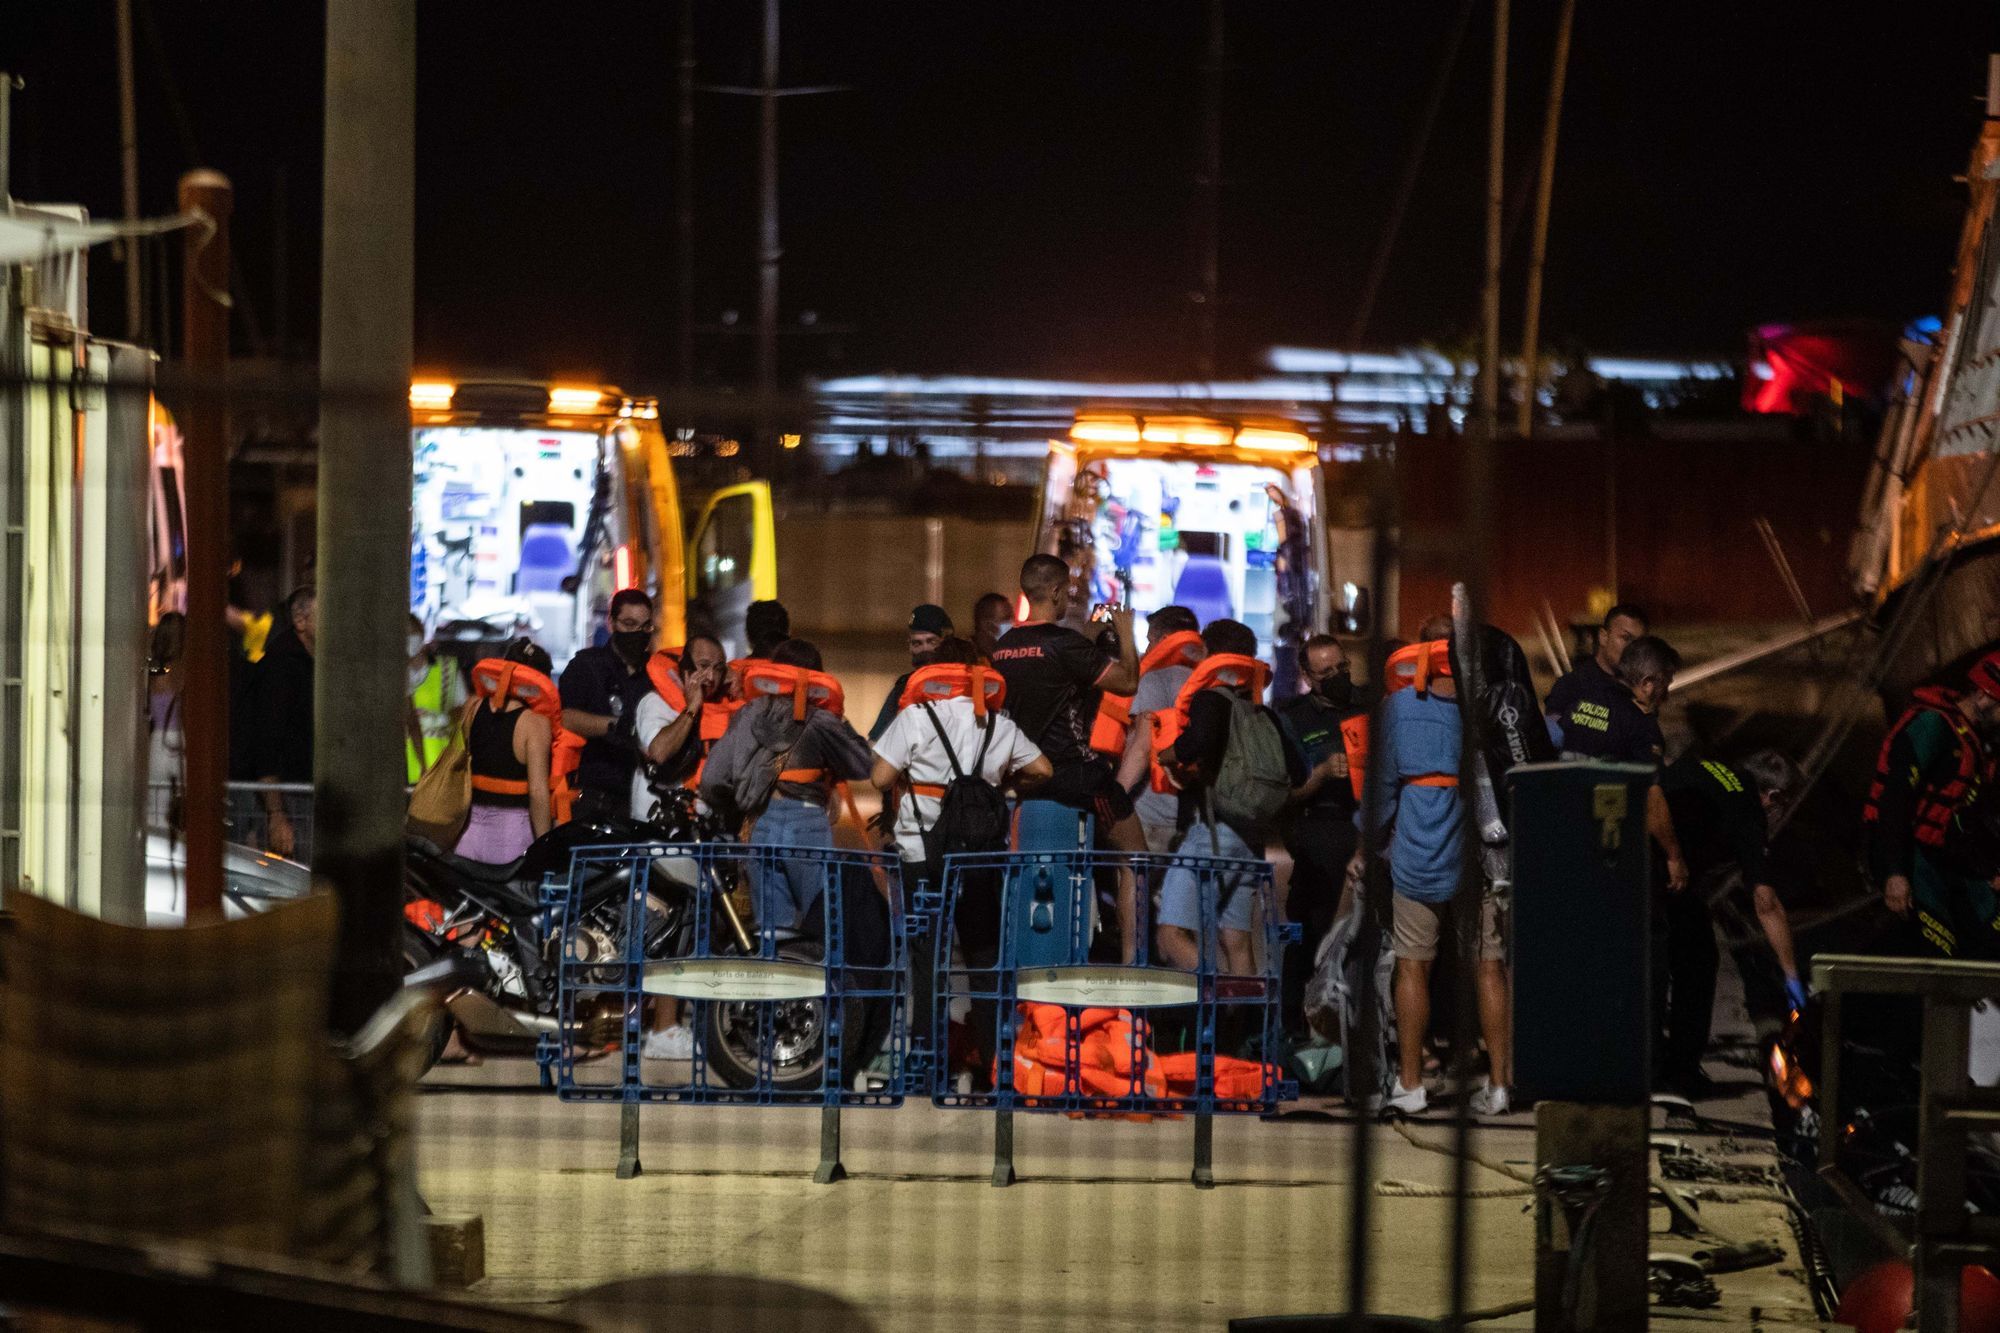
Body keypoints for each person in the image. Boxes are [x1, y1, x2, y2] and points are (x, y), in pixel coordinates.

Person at [872, 636, 1051, 1076]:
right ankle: (993, 1063)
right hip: (979, 853)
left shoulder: (915, 716)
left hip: (921, 850)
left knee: (926, 955)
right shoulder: (997, 723)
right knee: (983, 956)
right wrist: (1004, 788)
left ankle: (927, 1061)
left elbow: (879, 776)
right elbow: (1043, 770)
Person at [1365, 636, 1512, 1117]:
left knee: (1412, 965)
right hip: (1481, 856)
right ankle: (1500, 1085)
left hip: (1417, 848)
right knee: (1488, 966)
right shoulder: (1488, 711)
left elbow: (1383, 785)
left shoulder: (1399, 707)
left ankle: (1410, 1086)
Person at [989, 553, 1147, 959]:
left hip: (1028, 777)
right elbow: (1127, 681)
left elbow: (1053, 670)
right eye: (1068, 591)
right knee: (1135, 857)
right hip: (1078, 777)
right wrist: (1126, 633)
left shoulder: (1004, 648)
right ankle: (1132, 959)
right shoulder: (1066, 644)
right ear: (1057, 592)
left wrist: (1088, 638)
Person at [1155, 620, 1308, 975]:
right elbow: (1298, 772)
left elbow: (1197, 743)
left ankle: (1217, 998)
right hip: (1251, 839)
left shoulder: (1211, 699)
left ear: (1209, 654)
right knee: (1236, 940)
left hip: (1212, 830)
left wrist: (1168, 754)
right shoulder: (1262, 711)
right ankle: (1240, 1026)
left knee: (1170, 934)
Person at [1656, 750, 1806, 1096]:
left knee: (1681, 940)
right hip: (1662, 873)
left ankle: (1664, 1061)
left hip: (1637, 855)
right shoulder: (1748, 812)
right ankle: (1679, 1071)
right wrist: (1791, 975)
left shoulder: (1707, 763)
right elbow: (1766, 903)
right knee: (1699, 959)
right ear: (1773, 798)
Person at [701, 638, 874, 930]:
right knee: (821, 925)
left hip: (760, 824)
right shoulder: (819, 718)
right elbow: (861, 763)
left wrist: (737, 800)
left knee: (771, 930)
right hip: (806, 823)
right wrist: (838, 717)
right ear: (816, 677)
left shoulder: (749, 712)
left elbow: (711, 779)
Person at [1865, 650, 2000, 958]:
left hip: (1948, 858)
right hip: (1910, 854)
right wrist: (1894, 872)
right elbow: (1894, 796)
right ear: (1983, 696)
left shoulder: (1980, 748)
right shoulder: (1933, 725)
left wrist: (1991, 869)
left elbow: (1973, 821)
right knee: (1938, 949)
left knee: (1992, 933)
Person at [1275, 633, 1369, 1038]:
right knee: (1311, 930)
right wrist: (1321, 775)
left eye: (1342, 669)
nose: (1337, 677)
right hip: (1320, 827)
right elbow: (1282, 793)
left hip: (1367, 823)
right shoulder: (1292, 717)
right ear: (1308, 677)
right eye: (1326, 672)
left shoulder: (1368, 705)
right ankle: (1298, 1027)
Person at [1553, 633, 1689, 892]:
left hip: (1559, 830)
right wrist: (1674, 855)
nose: (1666, 697)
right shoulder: (1640, 725)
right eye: (1665, 685)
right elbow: (1653, 799)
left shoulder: (1581, 703)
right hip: (1603, 842)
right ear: (1648, 683)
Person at [559, 590, 657, 823]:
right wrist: (616, 726)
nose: (637, 633)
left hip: (645, 797)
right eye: (629, 624)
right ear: (611, 623)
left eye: (644, 627)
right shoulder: (587, 666)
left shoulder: (656, 672)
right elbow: (565, 717)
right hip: (596, 794)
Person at [1116, 606, 1206, 855]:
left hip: (1153, 813)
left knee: (1140, 888)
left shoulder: (1156, 680)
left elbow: (1142, 747)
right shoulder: (1209, 681)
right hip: (1196, 815)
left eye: (1150, 640)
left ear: (1165, 640)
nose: (1147, 650)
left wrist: (1114, 798)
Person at [458, 639, 556, 865]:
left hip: (465, 836)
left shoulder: (472, 707)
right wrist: (545, 849)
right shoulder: (535, 724)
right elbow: (538, 794)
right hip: (511, 840)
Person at [631, 633, 729, 820]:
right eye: (703, 666)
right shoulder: (655, 703)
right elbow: (659, 751)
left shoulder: (721, 710)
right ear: (686, 667)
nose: (710, 676)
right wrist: (692, 707)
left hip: (701, 832)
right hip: (657, 833)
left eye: (717, 669)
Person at [252, 586, 317, 859]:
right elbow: (266, 742)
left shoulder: (320, 663)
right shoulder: (281, 667)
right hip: (293, 799)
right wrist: (276, 814)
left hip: (310, 796)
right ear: (300, 621)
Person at [1545, 604, 1647, 746]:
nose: (1632, 648)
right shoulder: (1571, 684)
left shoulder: (1639, 691)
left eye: (1638, 642)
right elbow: (1551, 740)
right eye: (1625, 638)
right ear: (1603, 637)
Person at [869, 604, 954, 742]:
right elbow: (875, 743)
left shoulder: (968, 684)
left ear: (947, 644)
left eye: (932, 641)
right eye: (917, 643)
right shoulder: (903, 688)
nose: (924, 649)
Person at [406, 614, 467, 782]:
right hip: (403, 770)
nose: (408, 639)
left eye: (412, 633)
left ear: (422, 633)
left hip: (441, 765)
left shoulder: (447, 668)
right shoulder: (391, 675)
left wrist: (442, 719)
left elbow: (461, 710)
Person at [970, 591, 1013, 662]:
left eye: (1012, 618)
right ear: (986, 625)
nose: (1012, 624)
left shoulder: (1006, 654)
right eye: (1006, 619)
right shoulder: (966, 655)